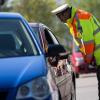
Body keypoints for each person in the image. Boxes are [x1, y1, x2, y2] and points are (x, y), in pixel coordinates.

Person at [51, 4, 100, 100]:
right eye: (57, 16)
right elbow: (82, 44)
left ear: (66, 12)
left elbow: (88, 41)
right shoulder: (73, 22)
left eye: (60, 15)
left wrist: (88, 59)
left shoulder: (81, 18)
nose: (59, 19)